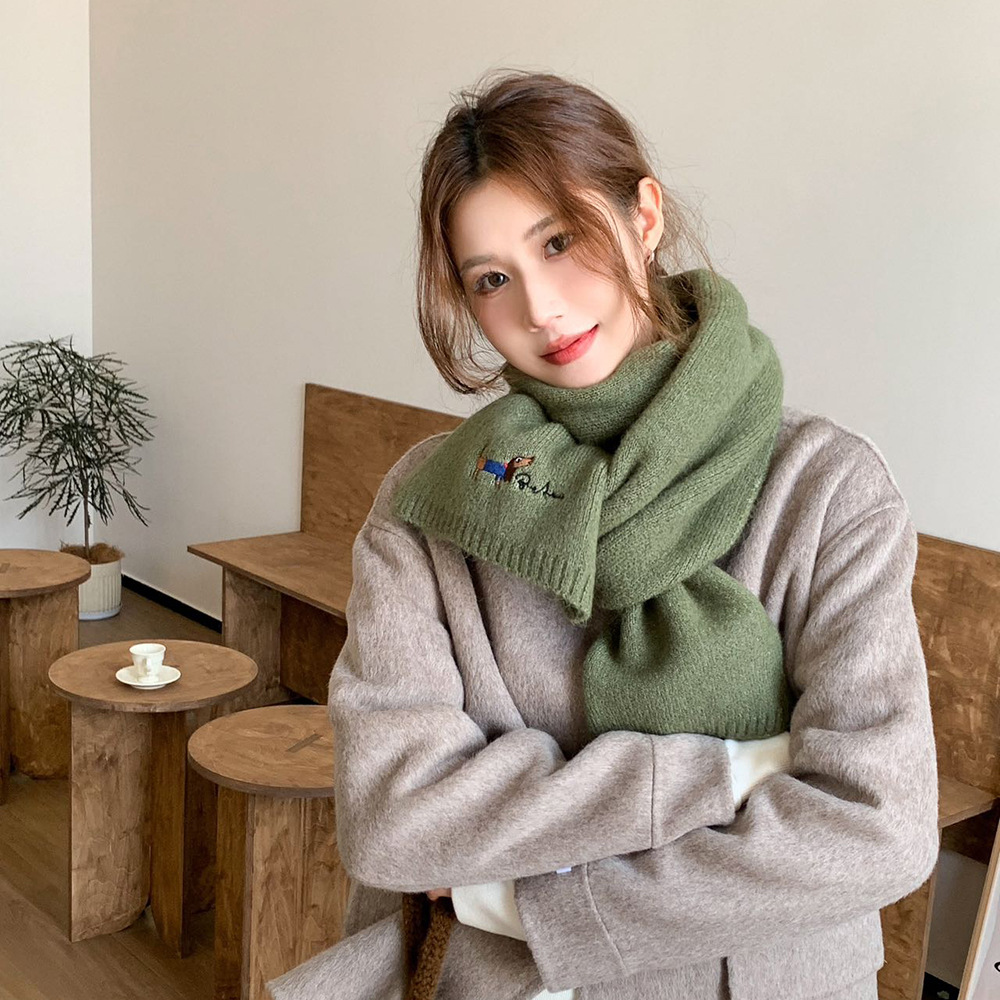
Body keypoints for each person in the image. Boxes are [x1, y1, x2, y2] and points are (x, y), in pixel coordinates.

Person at [268, 70, 939, 1000]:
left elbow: (878, 826)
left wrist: (513, 898)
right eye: (492, 279)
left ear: (644, 215)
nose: (539, 308)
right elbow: (393, 821)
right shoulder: (434, 503)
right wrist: (734, 772)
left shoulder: (826, 489)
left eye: (560, 241)